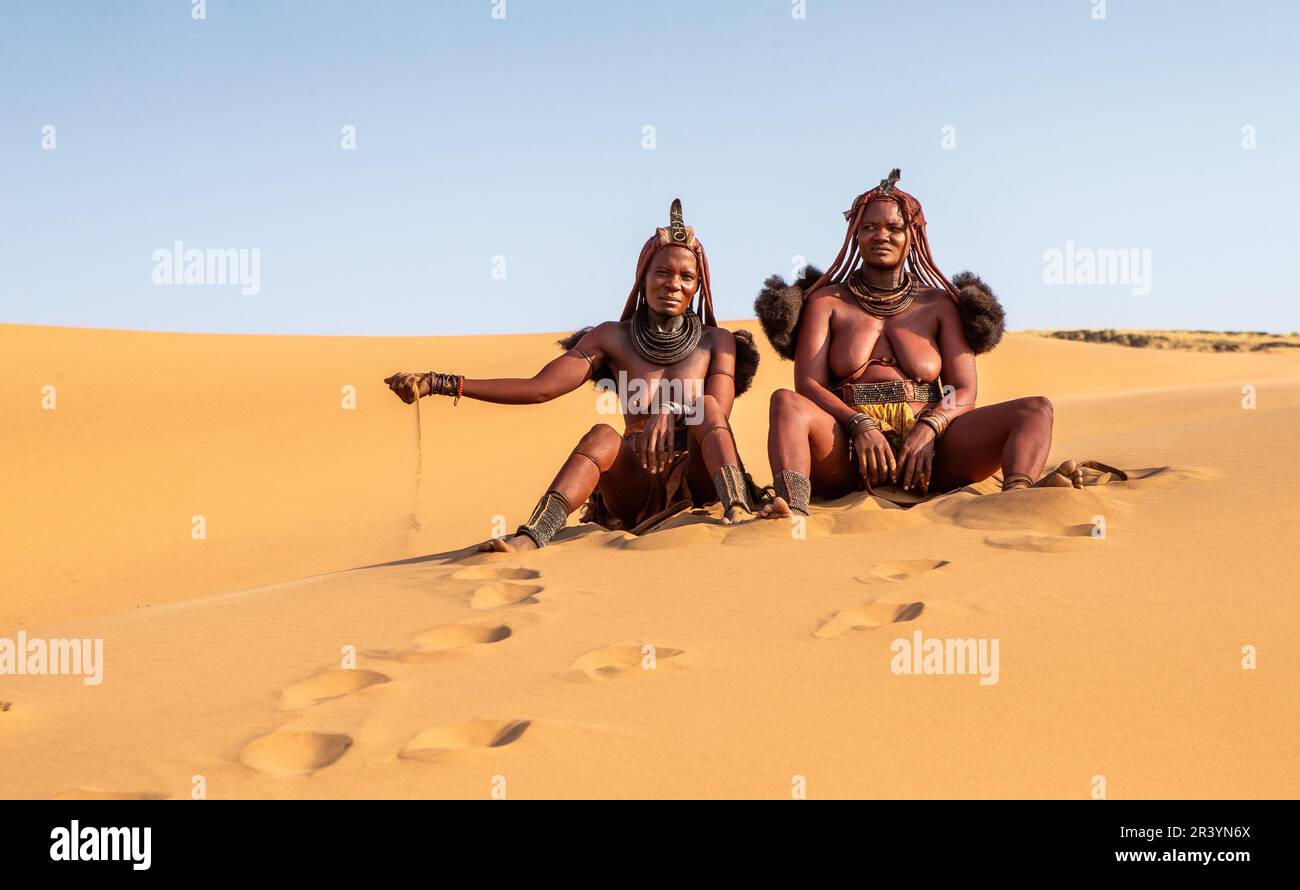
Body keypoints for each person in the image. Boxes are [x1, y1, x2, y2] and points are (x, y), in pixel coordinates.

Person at [385, 199, 764, 551]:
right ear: (642, 276)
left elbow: (718, 409)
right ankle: (534, 535)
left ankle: (738, 509)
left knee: (708, 407)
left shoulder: (717, 342)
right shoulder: (610, 337)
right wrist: (442, 383)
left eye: (687, 277)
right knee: (602, 434)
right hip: (636, 481)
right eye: (662, 272)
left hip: (699, 477)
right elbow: (539, 389)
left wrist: (672, 409)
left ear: (697, 286)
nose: (674, 284)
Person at [753, 169, 1123, 518]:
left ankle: (1018, 496)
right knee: (785, 403)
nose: (882, 235)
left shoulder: (940, 304)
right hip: (849, 454)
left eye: (894, 227)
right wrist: (859, 425)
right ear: (854, 234)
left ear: (912, 235)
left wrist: (930, 427)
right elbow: (809, 385)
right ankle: (792, 507)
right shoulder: (826, 302)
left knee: (1035, 410)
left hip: (932, 455)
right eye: (869, 227)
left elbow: (963, 389)